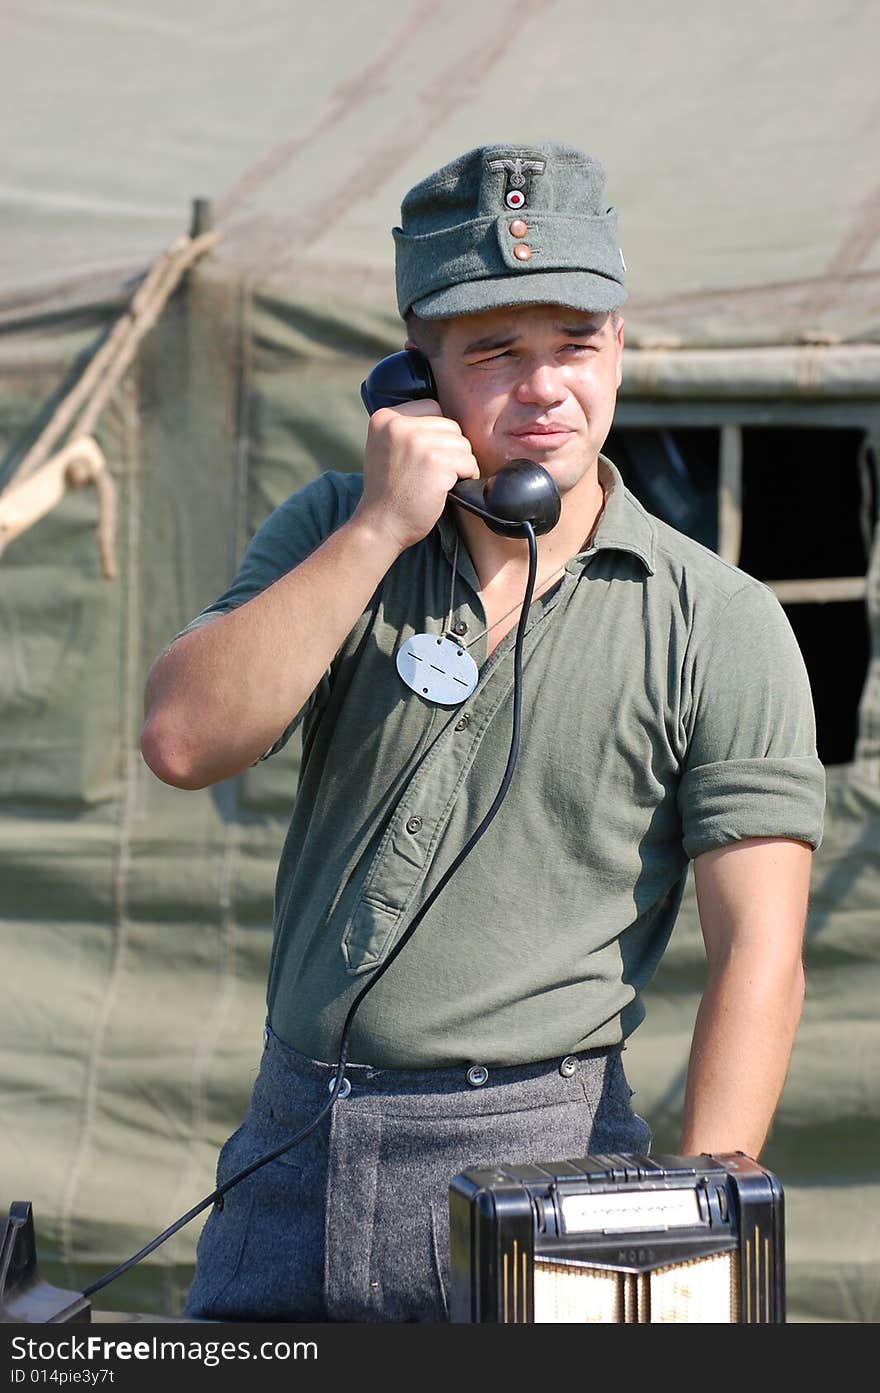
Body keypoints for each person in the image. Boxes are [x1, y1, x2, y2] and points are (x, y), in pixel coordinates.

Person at [140, 142, 825, 1322]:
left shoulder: (718, 617)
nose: (544, 384)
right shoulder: (333, 532)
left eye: (573, 342)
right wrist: (373, 533)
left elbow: (757, 944)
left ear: (619, 346)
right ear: (418, 376)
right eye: (494, 352)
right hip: (298, 1139)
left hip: (549, 1159)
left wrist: (707, 1198)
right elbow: (185, 742)